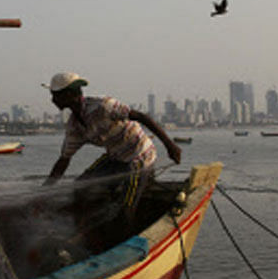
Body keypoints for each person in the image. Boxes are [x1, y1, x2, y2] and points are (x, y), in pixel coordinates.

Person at [43, 71, 181, 224]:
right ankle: (83, 226)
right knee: (80, 187)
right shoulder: (74, 127)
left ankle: (126, 235)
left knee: (126, 207)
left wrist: (170, 146)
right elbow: (63, 161)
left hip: (139, 155)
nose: (52, 100)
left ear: (69, 94)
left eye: (55, 95)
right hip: (116, 157)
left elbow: (142, 117)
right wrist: (45, 189)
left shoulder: (103, 106)